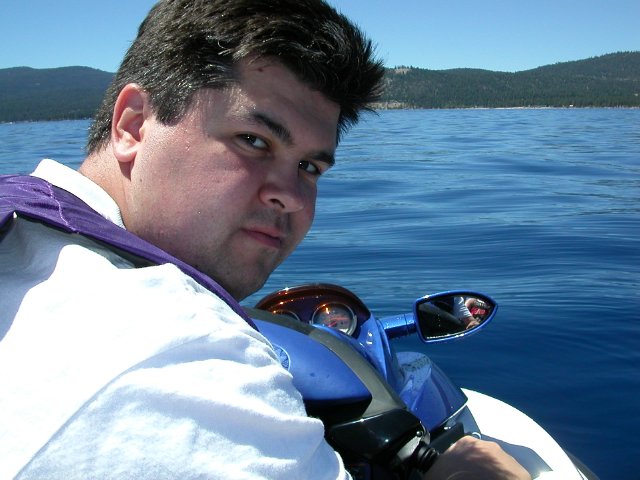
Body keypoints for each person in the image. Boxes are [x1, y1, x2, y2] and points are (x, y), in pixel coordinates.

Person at [0, 1, 530, 478]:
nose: (292, 198)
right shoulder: (181, 360)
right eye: (253, 141)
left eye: (309, 167)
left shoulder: (26, 236)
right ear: (133, 125)